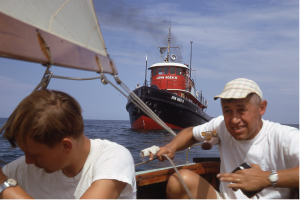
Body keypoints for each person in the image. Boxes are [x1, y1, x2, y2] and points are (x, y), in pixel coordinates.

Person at [151, 78, 300, 200]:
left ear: (261, 108)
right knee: (179, 181)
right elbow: (191, 133)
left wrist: (268, 178)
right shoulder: (221, 126)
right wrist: (172, 147)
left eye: (242, 109)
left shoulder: (286, 137)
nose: (234, 120)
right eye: (227, 110)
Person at [0, 89, 136, 200]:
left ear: (65, 146)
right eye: (24, 152)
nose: (28, 161)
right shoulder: (21, 168)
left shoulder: (115, 157)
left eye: (34, 155)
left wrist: (4, 186)